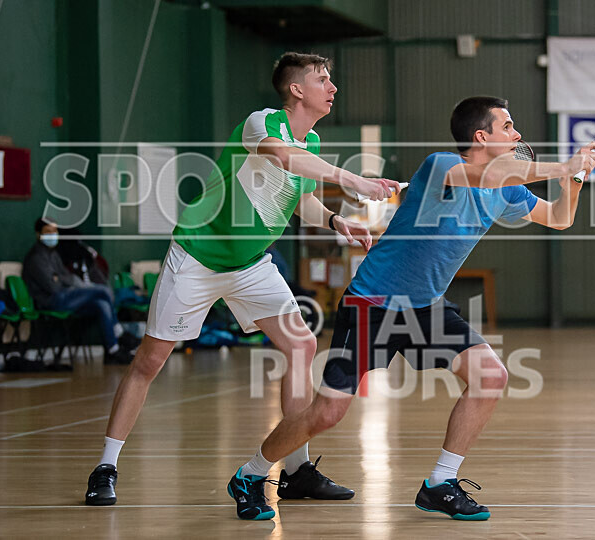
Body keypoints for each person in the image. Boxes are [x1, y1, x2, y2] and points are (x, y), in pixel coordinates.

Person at [238, 96, 595, 521]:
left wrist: (573, 180)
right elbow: (481, 178)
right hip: (372, 304)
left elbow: (559, 218)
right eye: (508, 126)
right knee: (327, 412)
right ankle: (252, 473)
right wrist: (560, 165)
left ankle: (440, 484)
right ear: (481, 136)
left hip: (425, 308)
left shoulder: (508, 190)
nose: (517, 134)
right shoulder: (440, 166)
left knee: (490, 376)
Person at [83, 52, 403, 514]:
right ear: (297, 89)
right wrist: (352, 179)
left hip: (252, 264)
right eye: (323, 79)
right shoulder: (262, 123)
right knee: (149, 361)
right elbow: (281, 157)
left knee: (301, 346)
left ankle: (295, 469)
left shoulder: (311, 140)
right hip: (197, 256)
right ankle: (106, 466)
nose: (333, 87)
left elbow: (301, 201)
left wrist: (336, 221)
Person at [22, 219, 137, 365]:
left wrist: (60, 278)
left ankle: (112, 350)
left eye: (55, 231)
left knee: (101, 304)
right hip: (51, 302)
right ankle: (119, 332)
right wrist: (62, 280)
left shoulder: (53, 254)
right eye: (48, 232)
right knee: (102, 290)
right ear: (38, 234)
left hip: (65, 295)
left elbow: (66, 277)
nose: (53, 235)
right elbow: (53, 287)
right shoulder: (36, 257)